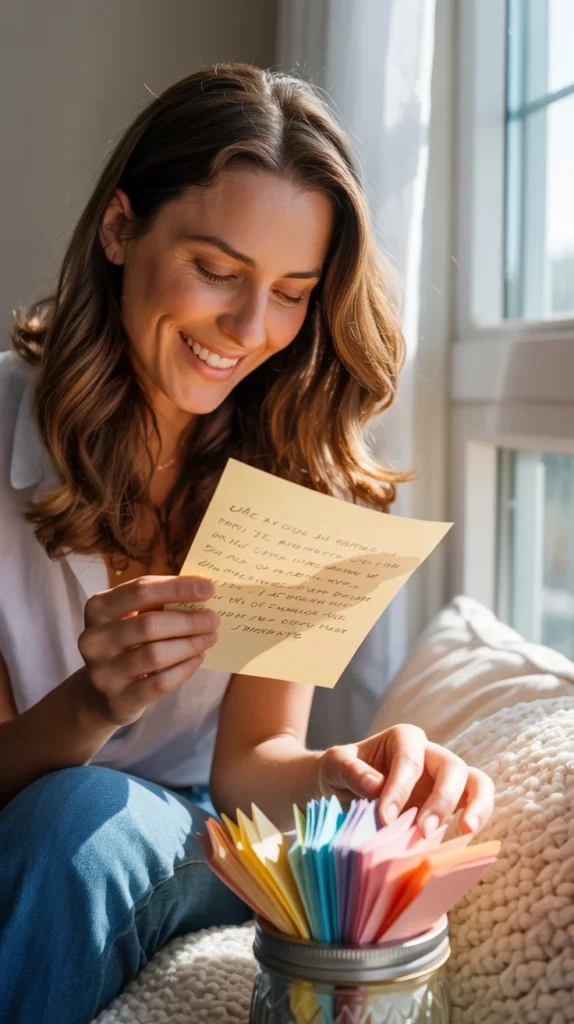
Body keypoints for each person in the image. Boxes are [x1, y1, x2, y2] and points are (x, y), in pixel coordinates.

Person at [0, 62, 494, 1024]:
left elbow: (249, 764)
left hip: (183, 837)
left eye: (292, 291)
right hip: (34, 818)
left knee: (81, 824)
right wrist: (94, 703)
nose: (247, 327)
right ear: (118, 228)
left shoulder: (296, 466)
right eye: (217, 272)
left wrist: (350, 771)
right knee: (64, 814)